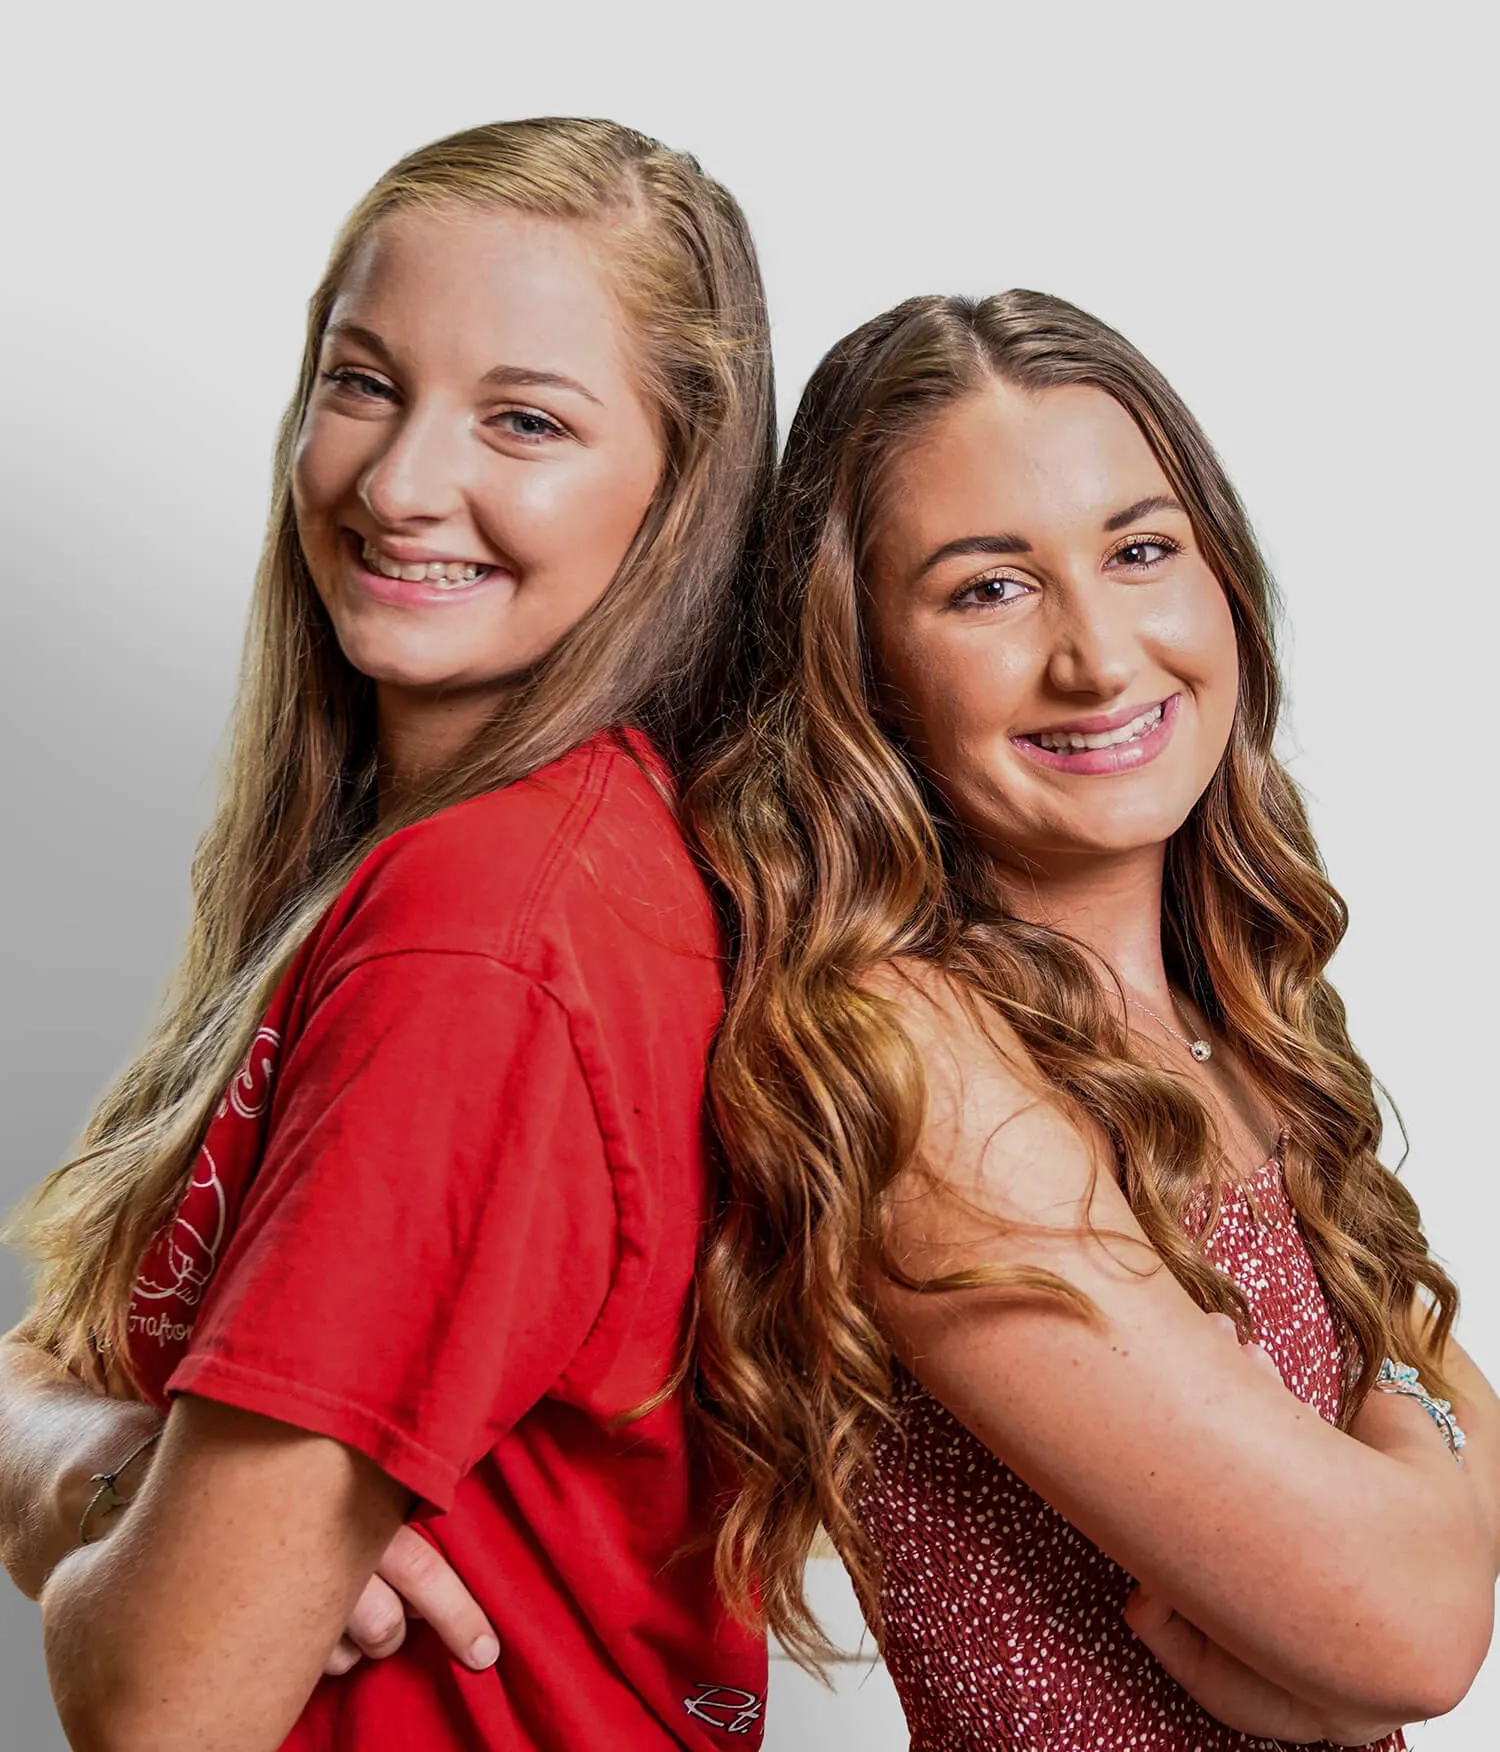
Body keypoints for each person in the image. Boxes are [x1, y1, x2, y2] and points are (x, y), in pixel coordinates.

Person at [0, 116, 775, 1752]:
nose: (400, 484)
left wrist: (107, 1503)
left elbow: (158, 1703)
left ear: (681, 487)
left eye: (525, 419)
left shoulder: (482, 938)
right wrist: (109, 1465)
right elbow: (51, 1365)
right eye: (362, 384)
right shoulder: (475, 868)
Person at [686, 289, 1500, 1749]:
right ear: (859, 663)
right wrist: (1425, 1471)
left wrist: (1411, 1457)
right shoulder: (909, 1051)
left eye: (1139, 551)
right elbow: (1415, 1628)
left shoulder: (1219, 1000)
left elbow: (1435, 1466)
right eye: (989, 589)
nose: (1101, 657)